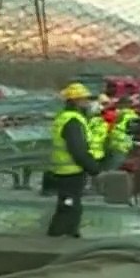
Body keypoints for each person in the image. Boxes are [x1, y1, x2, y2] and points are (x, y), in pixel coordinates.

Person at [47, 82, 102, 237]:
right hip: (71, 172)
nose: (87, 103)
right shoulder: (73, 121)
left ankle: (69, 235)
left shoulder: (64, 118)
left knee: (69, 205)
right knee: (69, 206)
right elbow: (78, 150)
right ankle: (57, 237)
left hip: (64, 171)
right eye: (84, 99)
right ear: (75, 101)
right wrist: (93, 168)